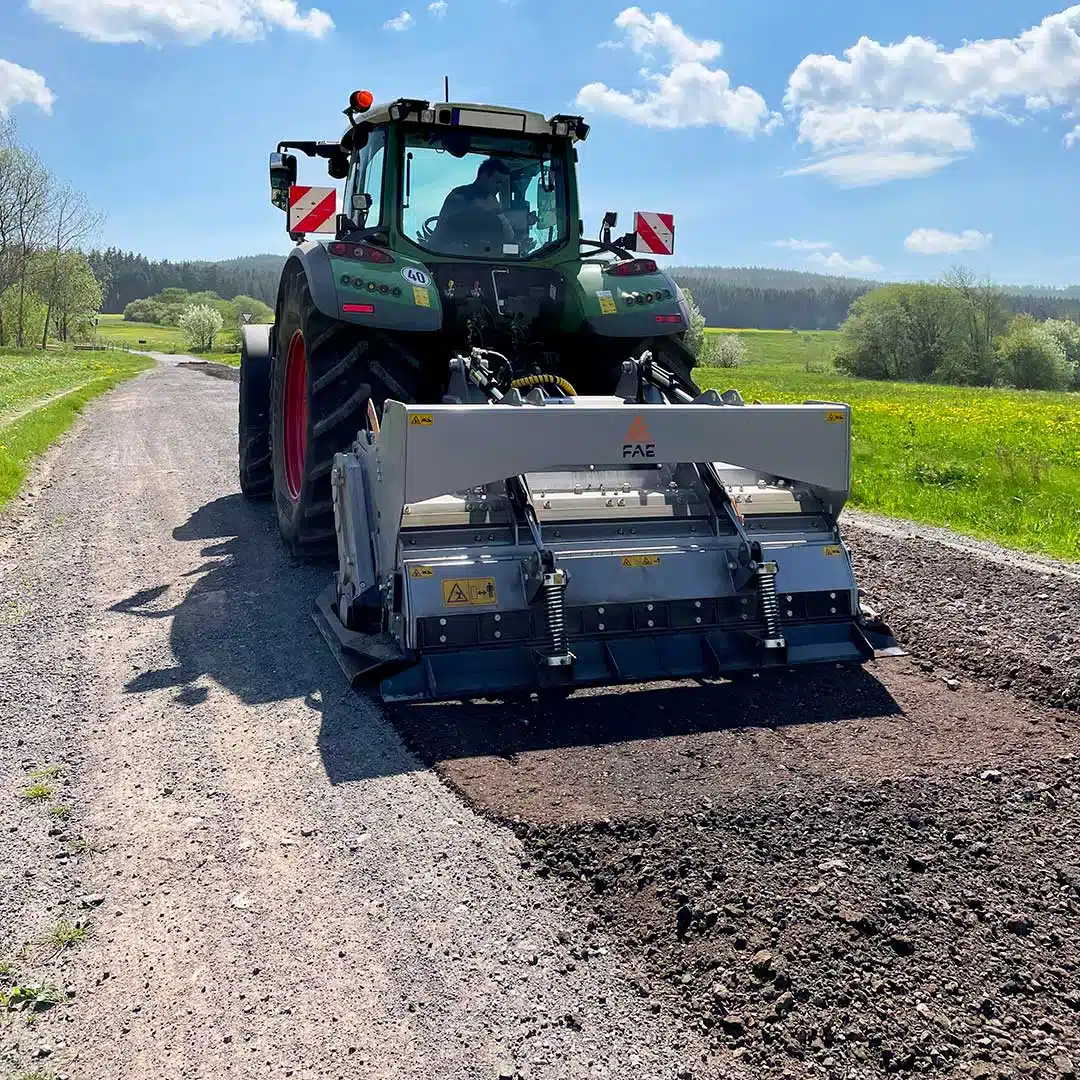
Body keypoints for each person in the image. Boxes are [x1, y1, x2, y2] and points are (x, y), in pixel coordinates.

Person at [434, 157, 515, 247]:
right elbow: (448, 229)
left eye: (502, 184)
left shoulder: (492, 200)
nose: (499, 187)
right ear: (484, 176)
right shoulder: (459, 195)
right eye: (498, 182)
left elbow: (509, 235)